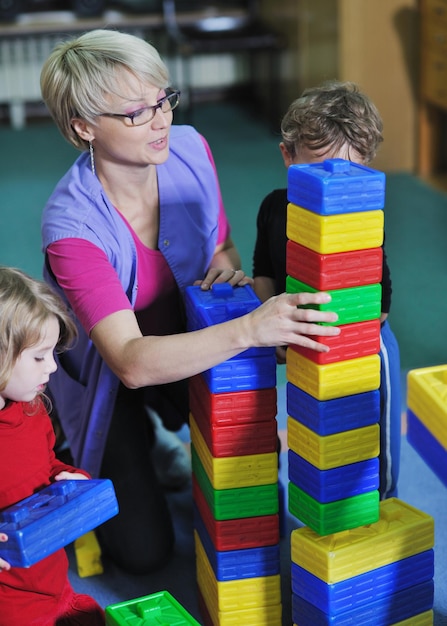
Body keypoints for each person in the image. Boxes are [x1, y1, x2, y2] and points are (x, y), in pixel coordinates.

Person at [39, 29, 341, 575]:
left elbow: (220, 249)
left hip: (185, 338)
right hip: (112, 379)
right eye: (136, 113)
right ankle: (132, 443)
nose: (161, 121)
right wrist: (250, 329)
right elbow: (129, 362)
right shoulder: (72, 228)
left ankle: (176, 431)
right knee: (142, 553)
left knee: (252, 504)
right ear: (83, 127)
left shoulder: (191, 148)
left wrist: (238, 292)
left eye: (163, 100)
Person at [252, 80, 401, 500]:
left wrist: (334, 343)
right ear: (288, 156)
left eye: (350, 172)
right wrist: (273, 322)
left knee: (373, 434)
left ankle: (383, 499)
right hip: (298, 334)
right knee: (310, 431)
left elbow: (380, 297)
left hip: (363, 340)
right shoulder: (272, 207)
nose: (333, 188)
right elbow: (263, 270)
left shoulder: (362, 216)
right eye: (317, 170)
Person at [0, 266, 105, 626]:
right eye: (39, 357)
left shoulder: (31, 411)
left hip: (51, 584)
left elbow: (46, 465)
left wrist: (69, 477)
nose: (53, 369)